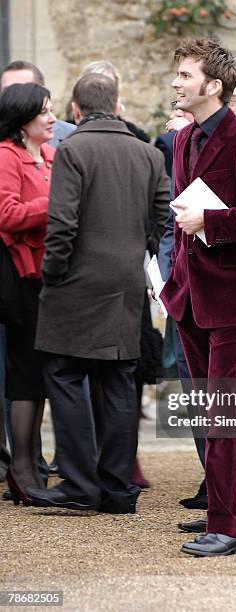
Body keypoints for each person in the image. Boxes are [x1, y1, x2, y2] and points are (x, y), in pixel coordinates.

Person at [160, 37, 236, 557]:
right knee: (209, 412)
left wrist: (207, 220)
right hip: (190, 294)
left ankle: (230, 529)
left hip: (234, 297)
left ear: (213, 85)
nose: (175, 83)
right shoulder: (184, 138)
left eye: (185, 76)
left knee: (224, 417)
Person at [26, 73, 169, 514]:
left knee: (65, 375)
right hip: (125, 283)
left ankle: (81, 483)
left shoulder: (73, 149)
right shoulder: (147, 154)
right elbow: (162, 211)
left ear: (75, 111)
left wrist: (52, 273)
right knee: (120, 381)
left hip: (75, 284)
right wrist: (138, 252)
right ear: (119, 105)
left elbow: (62, 222)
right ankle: (116, 488)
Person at [0, 82, 56, 504]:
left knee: (40, 373)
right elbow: (8, 214)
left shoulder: (51, 156)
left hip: (54, 278)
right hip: (21, 278)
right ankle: (20, 467)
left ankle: (33, 464)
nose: (52, 118)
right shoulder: (6, 156)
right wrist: (57, 202)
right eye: (44, 112)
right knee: (24, 372)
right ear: (23, 120)